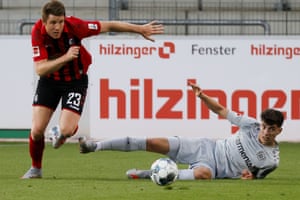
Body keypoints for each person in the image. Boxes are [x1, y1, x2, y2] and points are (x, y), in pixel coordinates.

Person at [21, 0, 164, 179]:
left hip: (75, 81)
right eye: (53, 23)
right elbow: (40, 69)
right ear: (44, 22)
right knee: (36, 130)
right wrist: (65, 57)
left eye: (60, 21)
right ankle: (36, 169)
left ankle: (64, 132)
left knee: (65, 130)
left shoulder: (76, 26)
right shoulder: (37, 32)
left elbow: (109, 25)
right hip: (49, 81)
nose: (57, 27)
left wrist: (140, 29)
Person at [79, 81, 284, 180]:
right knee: (153, 142)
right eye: (264, 126)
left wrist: (249, 178)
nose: (265, 131)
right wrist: (202, 96)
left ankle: (150, 174)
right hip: (206, 147)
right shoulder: (250, 125)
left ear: (278, 131)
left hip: (217, 170)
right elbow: (221, 110)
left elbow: (256, 177)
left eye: (271, 129)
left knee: (202, 174)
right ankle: (95, 146)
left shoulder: (271, 160)